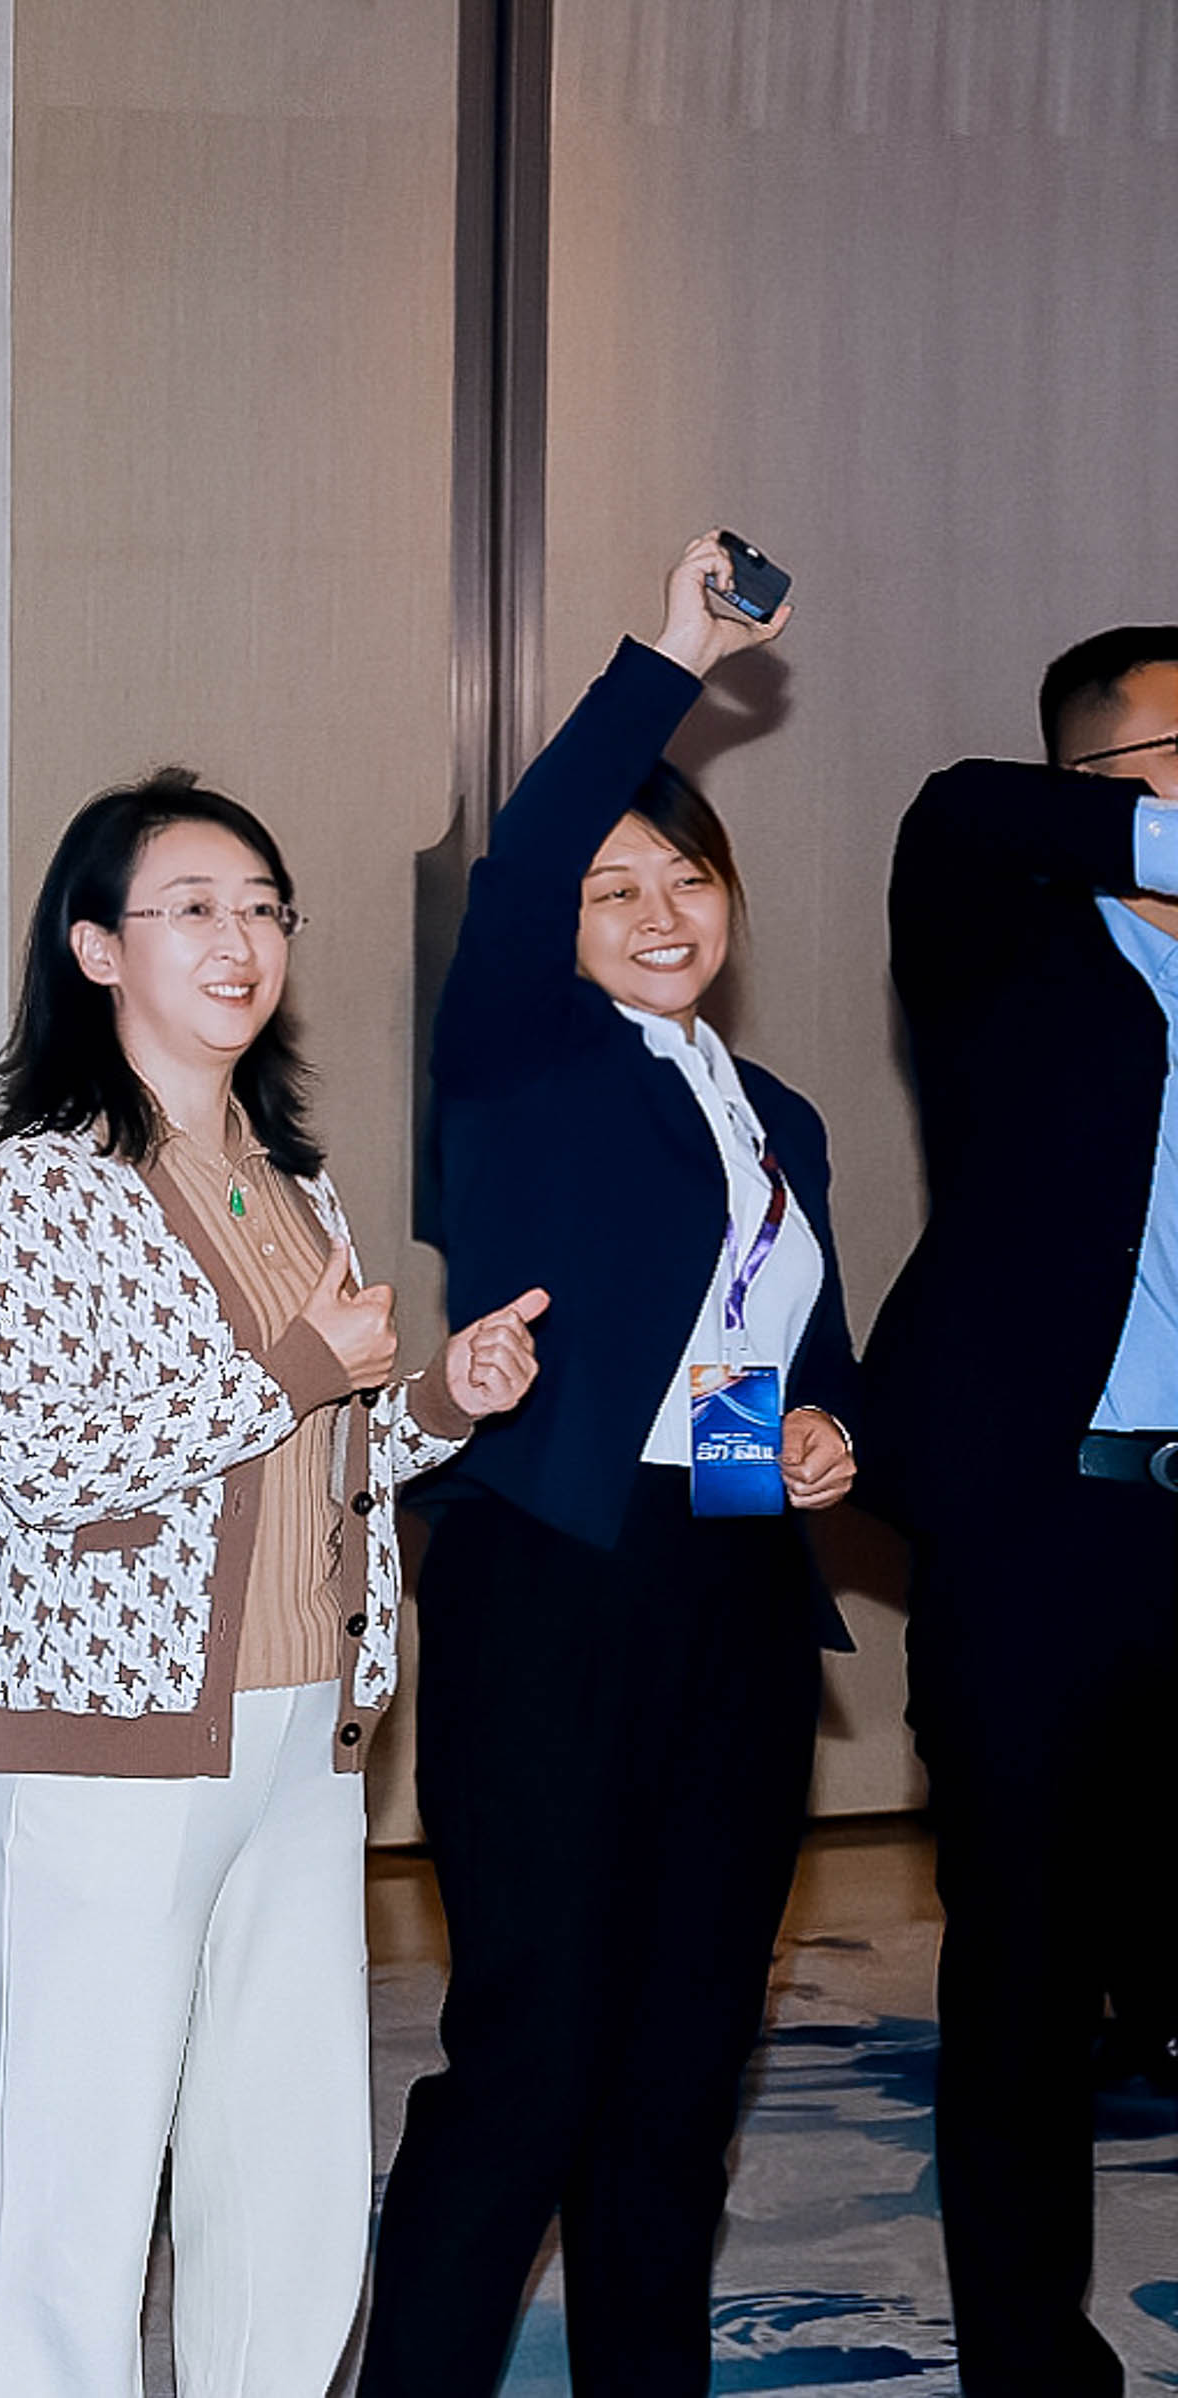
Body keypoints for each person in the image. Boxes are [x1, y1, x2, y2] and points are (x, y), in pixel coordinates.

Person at [0, 771, 542, 2397]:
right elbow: (42, 1456)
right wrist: (296, 1365)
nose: (241, 941)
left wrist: (440, 1402)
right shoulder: (47, 1181)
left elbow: (318, 1450)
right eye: (195, 908)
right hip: (114, 1733)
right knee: (72, 2170)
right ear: (96, 948)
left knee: (284, 2161)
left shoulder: (292, 1180)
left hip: (305, 1724)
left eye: (265, 909)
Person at [360, 534, 862, 2397]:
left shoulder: (779, 1113)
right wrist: (673, 655)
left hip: (730, 1572)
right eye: (613, 885)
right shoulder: (522, 1060)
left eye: (687, 877)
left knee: (683, 2060)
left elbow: (788, 1346)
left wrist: (822, 1430)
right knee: (537, 2052)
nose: (658, 911)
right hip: (552, 1574)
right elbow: (518, 863)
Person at [858, 621, 1178, 2396]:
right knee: (1028, 1974)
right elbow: (957, 808)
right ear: (1100, 782)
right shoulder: (1004, 939)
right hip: (1048, 1532)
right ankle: (1030, 2368)